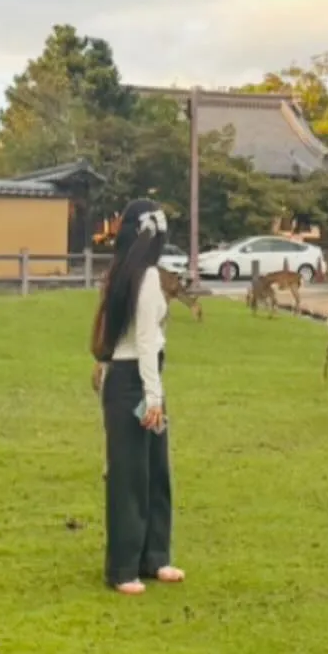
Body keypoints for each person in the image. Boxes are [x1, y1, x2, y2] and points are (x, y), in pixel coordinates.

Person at [91, 199, 185, 595]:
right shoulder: (142, 277)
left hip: (131, 377)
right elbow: (145, 340)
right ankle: (124, 567)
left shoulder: (123, 273)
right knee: (130, 474)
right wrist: (154, 396)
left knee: (153, 470)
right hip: (137, 379)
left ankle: (155, 556)